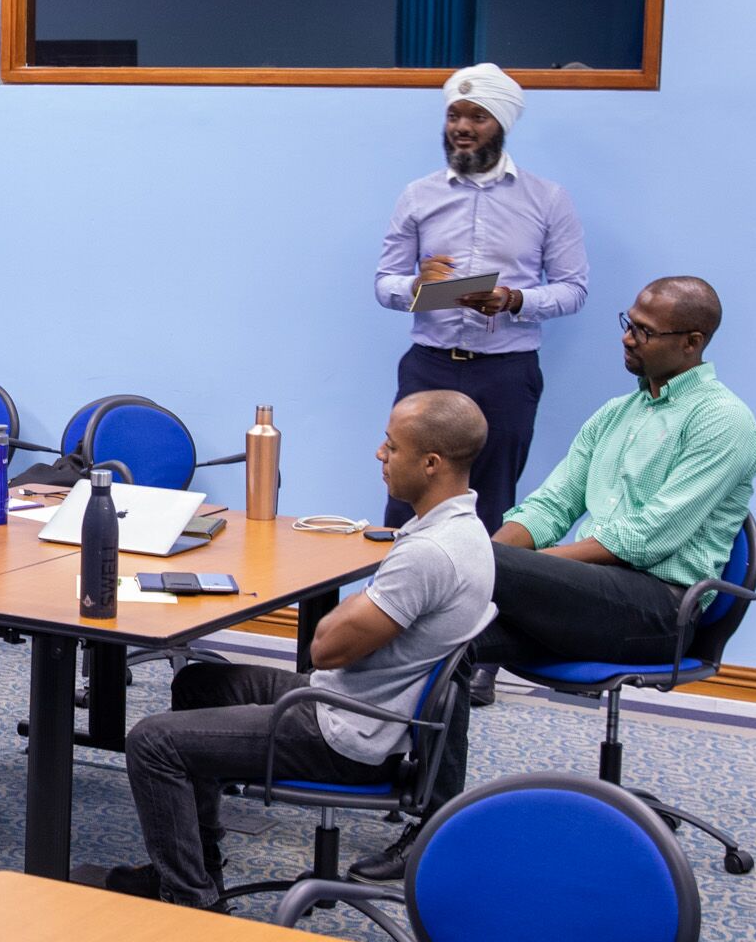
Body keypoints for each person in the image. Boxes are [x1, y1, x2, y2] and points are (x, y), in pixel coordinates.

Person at [354, 276, 756, 881]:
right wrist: (488, 557)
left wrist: (485, 564)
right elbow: (547, 508)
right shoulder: (615, 414)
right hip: (586, 600)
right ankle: (432, 826)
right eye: (629, 320)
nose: (628, 337)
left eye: (645, 331)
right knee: (451, 635)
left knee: (456, 566)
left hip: (659, 609)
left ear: (692, 342)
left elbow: (644, 539)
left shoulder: (723, 422)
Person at [82, 391, 493, 912]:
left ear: (431, 464)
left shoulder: (430, 555)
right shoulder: (465, 532)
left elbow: (324, 648)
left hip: (348, 733)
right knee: (197, 684)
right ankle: (199, 863)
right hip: (368, 708)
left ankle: (189, 901)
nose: (379, 455)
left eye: (392, 446)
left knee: (150, 743)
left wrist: (364, 603)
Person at [373, 63, 587, 537]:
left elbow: (574, 289)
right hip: (429, 368)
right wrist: (414, 286)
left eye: (478, 117)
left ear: (501, 124)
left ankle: (479, 610)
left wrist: (514, 300)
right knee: (405, 503)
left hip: (505, 374)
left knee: (490, 509)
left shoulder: (548, 200)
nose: (463, 128)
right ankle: (392, 607)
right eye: (455, 116)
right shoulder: (417, 196)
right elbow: (384, 281)